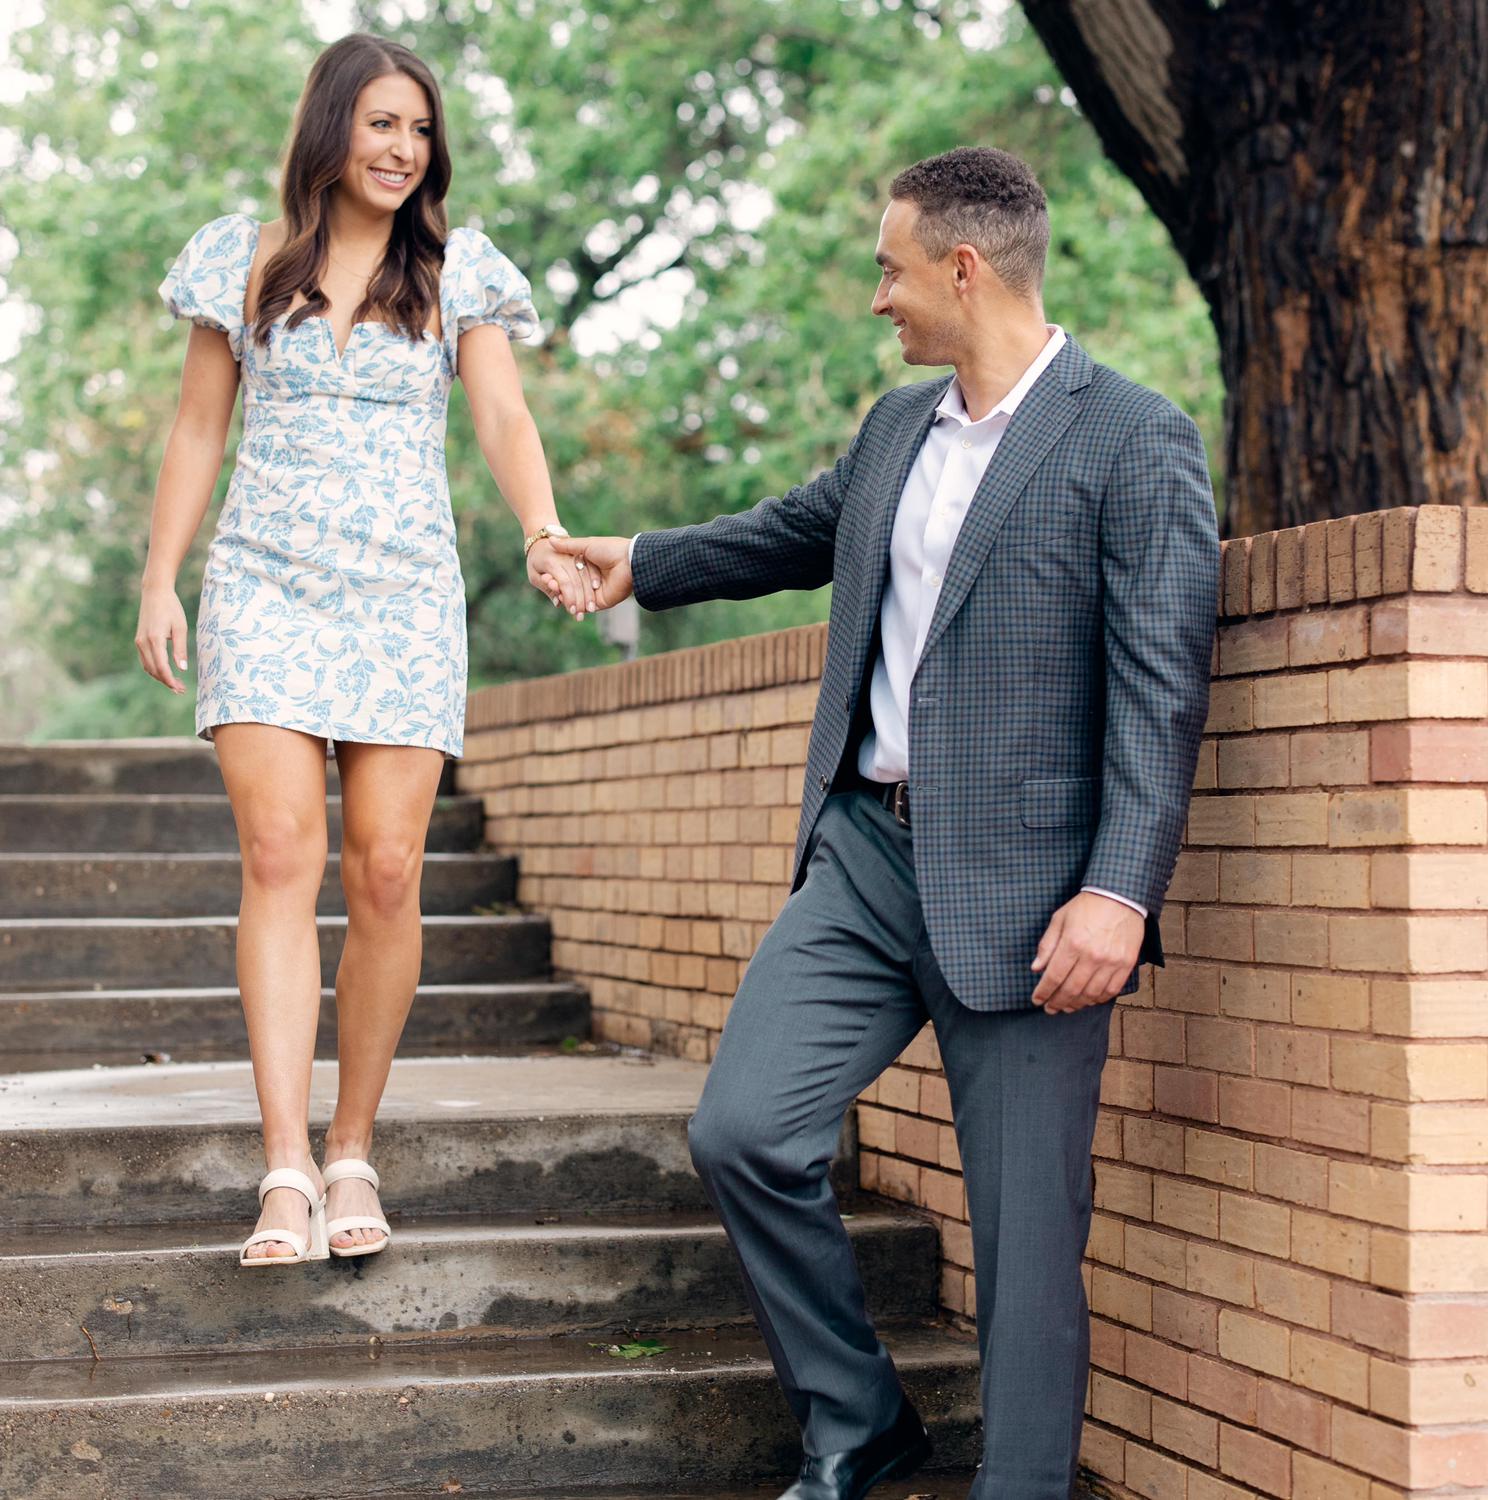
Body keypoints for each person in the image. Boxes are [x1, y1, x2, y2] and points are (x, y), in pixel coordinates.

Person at [552, 147, 1219, 1500]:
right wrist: (645, 562)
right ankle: (858, 1418)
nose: (878, 298)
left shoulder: (1131, 436)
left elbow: (1163, 686)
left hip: (1035, 889)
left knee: (1025, 1236)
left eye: (889, 269)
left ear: (962, 269)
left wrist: (1121, 891)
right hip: (865, 855)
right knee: (745, 1132)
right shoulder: (897, 430)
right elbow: (796, 531)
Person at [139, 32, 598, 1267]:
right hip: (264, 586)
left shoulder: (456, 269)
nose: (403, 148)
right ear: (332, 126)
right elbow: (196, 429)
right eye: (382, 123)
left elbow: (501, 412)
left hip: (403, 596)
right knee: (279, 856)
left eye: (420, 129)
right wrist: (161, 575)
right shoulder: (241, 259)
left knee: (388, 872)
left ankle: (352, 1147)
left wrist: (543, 529)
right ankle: (284, 1165)